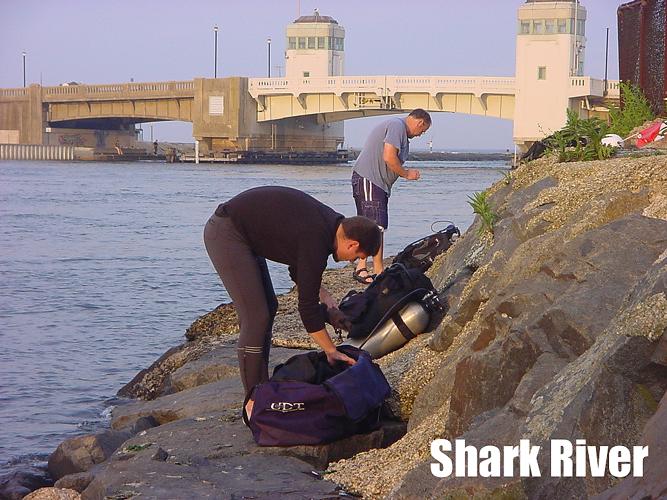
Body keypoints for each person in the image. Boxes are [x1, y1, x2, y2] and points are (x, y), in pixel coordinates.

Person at [203, 186, 382, 415]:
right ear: (352, 244)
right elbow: (306, 309)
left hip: (243, 234)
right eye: (358, 257)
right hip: (227, 232)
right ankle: (251, 400)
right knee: (256, 315)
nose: (352, 261)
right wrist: (330, 350)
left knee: (269, 306)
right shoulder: (317, 238)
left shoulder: (329, 228)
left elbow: (300, 271)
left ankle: (262, 388)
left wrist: (328, 303)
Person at [351, 109, 431, 284]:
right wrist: (406, 174)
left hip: (373, 181)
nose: (420, 135)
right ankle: (378, 272)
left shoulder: (397, 128)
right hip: (371, 179)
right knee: (376, 227)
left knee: (367, 225)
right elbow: (388, 156)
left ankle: (362, 266)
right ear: (420, 123)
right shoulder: (397, 126)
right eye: (423, 131)